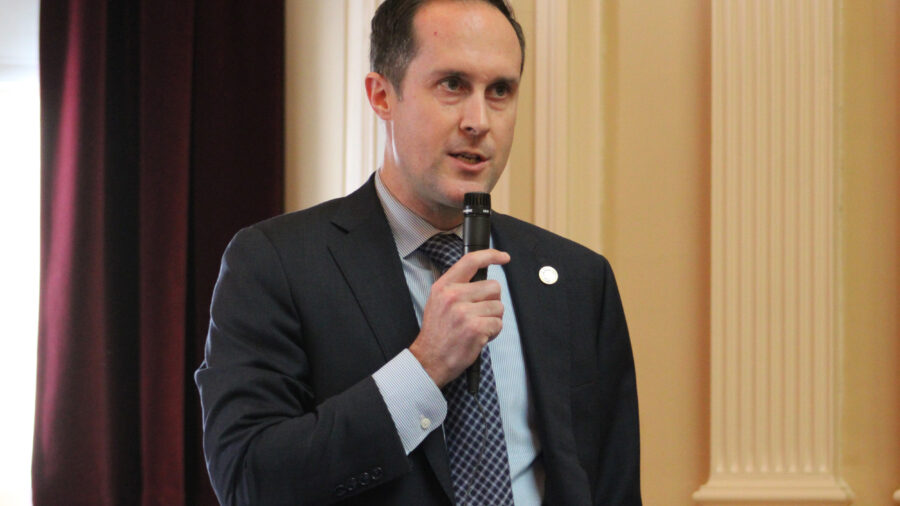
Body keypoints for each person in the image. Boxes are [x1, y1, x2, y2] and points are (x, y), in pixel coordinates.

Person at [194, 0, 641, 504]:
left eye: (500, 91)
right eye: (452, 84)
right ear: (382, 95)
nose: (479, 120)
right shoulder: (274, 263)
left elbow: (612, 485)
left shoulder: (579, 279)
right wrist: (423, 369)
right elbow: (248, 479)